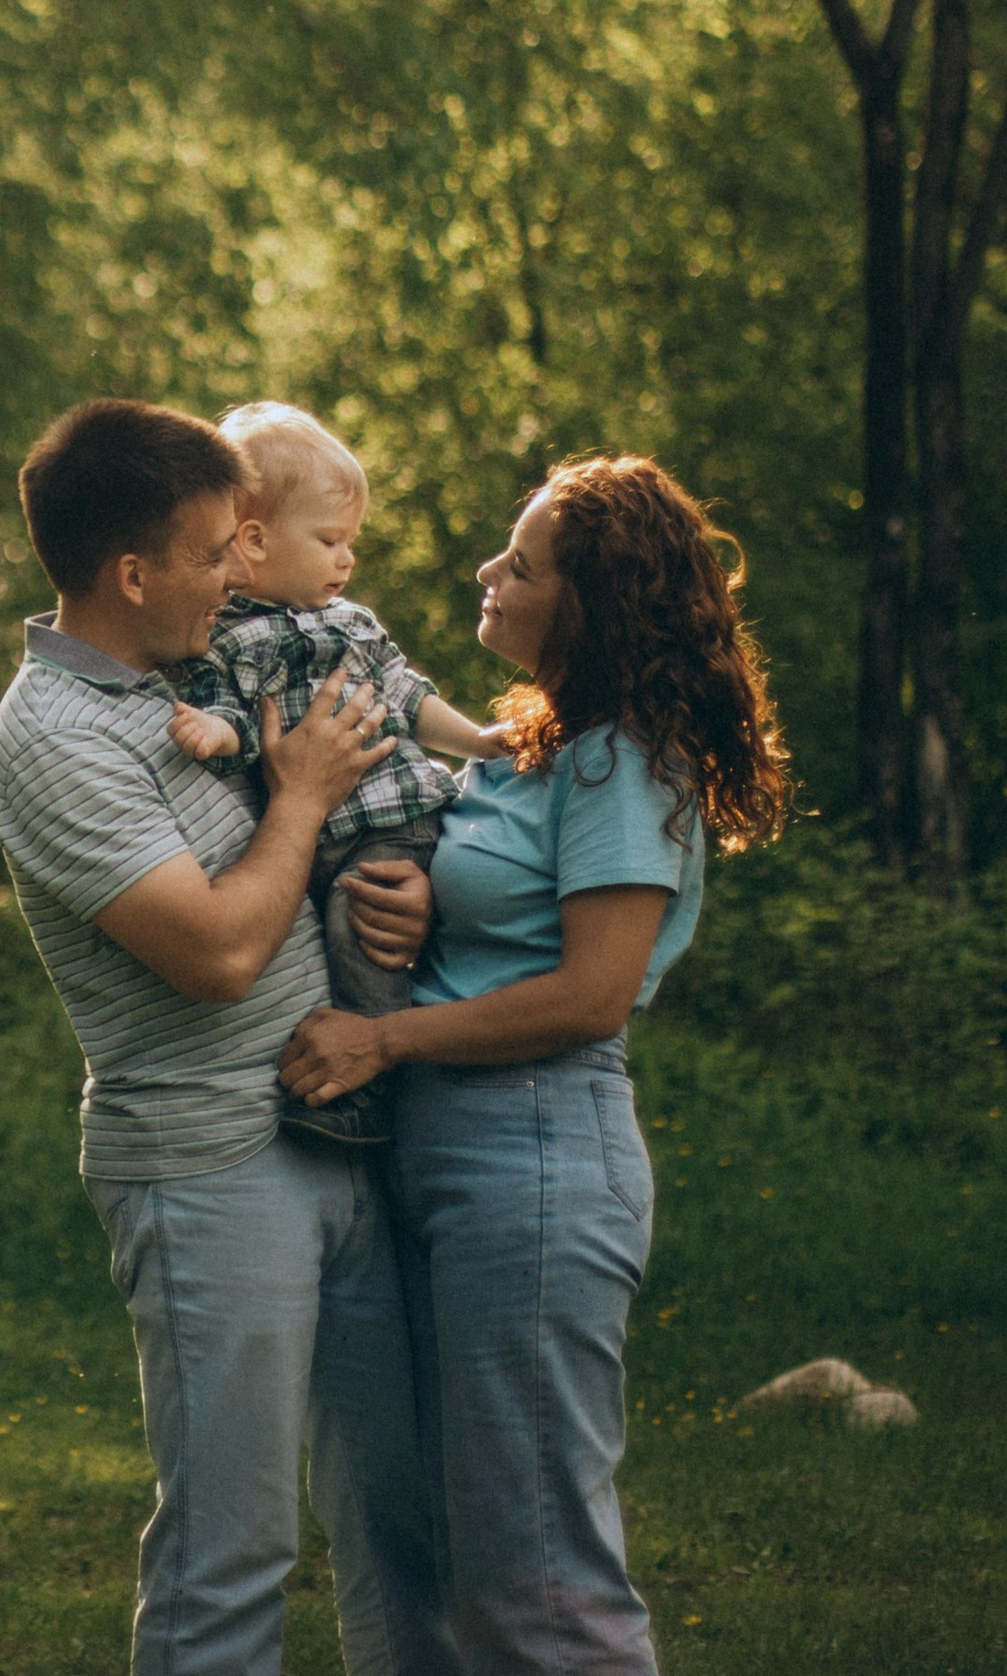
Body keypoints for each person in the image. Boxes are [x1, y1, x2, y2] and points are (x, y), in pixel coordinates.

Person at [280, 455, 792, 1675]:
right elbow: (494, 912)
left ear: (588, 601)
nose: (487, 574)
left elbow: (589, 991)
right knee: (408, 1545)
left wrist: (382, 1033)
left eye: (519, 563)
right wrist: (410, 904)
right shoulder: (531, 742)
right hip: (436, 1146)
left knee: (535, 1574)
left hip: (534, 1153)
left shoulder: (626, 755)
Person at [0, 399, 454, 1676]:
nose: (238, 572)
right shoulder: (54, 737)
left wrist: (402, 887)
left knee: (406, 1527)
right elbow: (217, 952)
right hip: (207, 1169)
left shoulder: (216, 677)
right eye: (212, 554)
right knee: (230, 1552)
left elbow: (322, 856)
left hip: (340, 1128)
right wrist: (303, 793)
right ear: (133, 574)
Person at [165, 403, 505, 1146]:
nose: (345, 561)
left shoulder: (351, 624)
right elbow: (226, 709)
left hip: (387, 817)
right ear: (253, 541)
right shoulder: (224, 635)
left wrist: (478, 742)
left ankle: (371, 1091)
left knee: (363, 937)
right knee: (329, 942)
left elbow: (408, 696)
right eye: (328, 541)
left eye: (349, 543)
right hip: (312, 835)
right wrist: (215, 730)